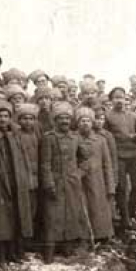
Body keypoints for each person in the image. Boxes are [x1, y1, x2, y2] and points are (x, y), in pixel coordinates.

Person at [0, 100, 34, 264]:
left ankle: (14, 252)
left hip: (16, 180)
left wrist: (26, 178)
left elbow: (23, 158)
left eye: (6, 116)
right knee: (0, 219)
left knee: (17, 216)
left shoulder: (15, 135)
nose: (3, 120)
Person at [40, 102, 90, 262]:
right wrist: (48, 183)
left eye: (67, 118)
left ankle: (67, 247)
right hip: (54, 182)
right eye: (61, 118)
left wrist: (78, 174)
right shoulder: (49, 138)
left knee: (70, 215)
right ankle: (49, 251)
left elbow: (85, 159)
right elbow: (45, 163)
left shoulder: (75, 138)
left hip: (71, 183)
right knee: (52, 216)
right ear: (55, 120)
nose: (64, 121)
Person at [106, 87, 136, 228]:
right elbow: (105, 136)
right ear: (111, 100)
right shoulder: (108, 116)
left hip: (134, 155)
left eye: (121, 97)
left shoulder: (132, 116)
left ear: (125, 99)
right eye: (116, 97)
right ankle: (124, 217)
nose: (119, 100)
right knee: (121, 188)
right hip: (118, 156)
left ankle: (131, 211)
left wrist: (133, 137)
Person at [76, 107, 116, 243]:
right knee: (83, 208)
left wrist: (110, 186)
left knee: (99, 209)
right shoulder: (74, 139)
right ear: (78, 123)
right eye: (82, 121)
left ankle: (102, 237)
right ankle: (85, 238)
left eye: (88, 120)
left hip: (98, 181)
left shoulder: (100, 140)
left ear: (92, 123)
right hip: (81, 181)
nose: (85, 123)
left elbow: (107, 164)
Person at [16, 103, 41, 240]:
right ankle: (23, 238)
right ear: (19, 120)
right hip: (22, 176)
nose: (28, 121)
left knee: (34, 207)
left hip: (36, 176)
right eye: (24, 118)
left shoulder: (36, 135)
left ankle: (31, 238)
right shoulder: (16, 135)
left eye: (31, 118)